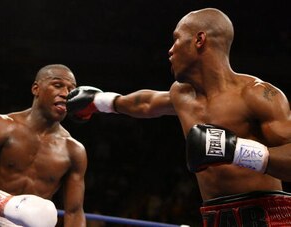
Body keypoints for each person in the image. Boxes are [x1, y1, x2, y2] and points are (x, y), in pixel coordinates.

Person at [66, 8, 291, 226]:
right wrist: (98, 101)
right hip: (215, 216)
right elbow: (145, 103)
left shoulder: (258, 95)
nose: (170, 50)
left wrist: (237, 151)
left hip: (268, 216)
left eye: (176, 39)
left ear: (199, 40)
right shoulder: (181, 94)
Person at [0, 64, 87, 227]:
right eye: (58, 85)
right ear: (36, 89)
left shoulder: (74, 150)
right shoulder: (0, 125)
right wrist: (11, 207)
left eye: (71, 90)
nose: (65, 94)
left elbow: (74, 212)